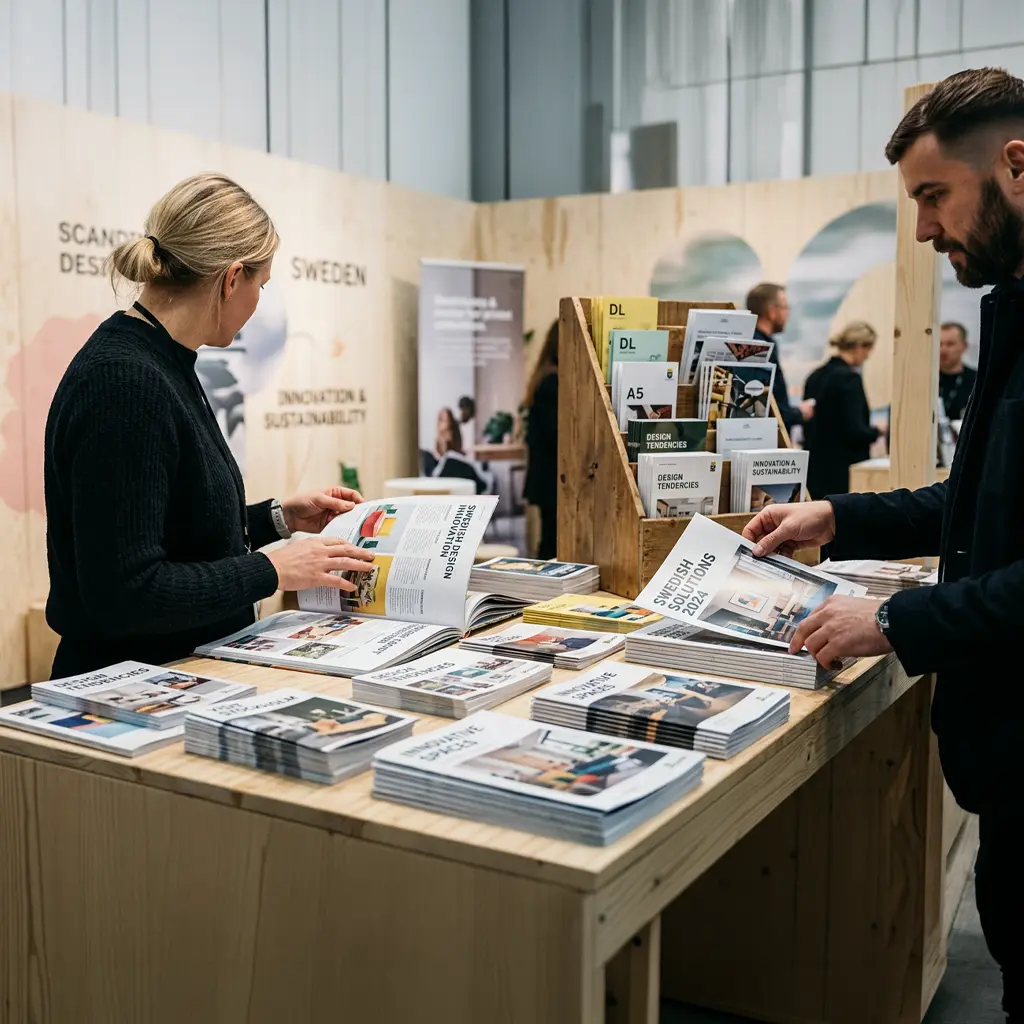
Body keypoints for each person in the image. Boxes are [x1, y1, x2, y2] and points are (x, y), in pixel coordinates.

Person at [742, 67, 1024, 1024]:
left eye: (933, 196)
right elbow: (981, 498)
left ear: (1016, 166)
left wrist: (896, 617)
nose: (924, 230)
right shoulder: (1012, 308)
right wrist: (839, 517)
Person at [44, 173, 375, 678]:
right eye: (261, 286)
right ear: (230, 278)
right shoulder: (126, 383)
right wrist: (271, 570)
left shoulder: (161, 362)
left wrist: (278, 519)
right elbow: (125, 590)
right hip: (129, 687)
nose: (258, 302)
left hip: (172, 673)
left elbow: (173, 530)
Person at [802, 321, 882, 498]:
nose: (868, 357)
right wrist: (878, 431)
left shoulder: (814, 377)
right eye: (869, 350)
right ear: (859, 346)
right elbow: (854, 431)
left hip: (814, 471)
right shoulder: (850, 380)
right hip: (842, 475)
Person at [746, 282, 815, 433]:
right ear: (772, 311)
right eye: (785, 307)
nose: (787, 313)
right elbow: (765, 405)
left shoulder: (751, 343)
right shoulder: (759, 348)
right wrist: (798, 413)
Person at [524, 319, 559, 559]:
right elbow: (554, 433)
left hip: (547, 478)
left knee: (549, 537)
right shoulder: (552, 382)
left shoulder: (545, 376)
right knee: (551, 542)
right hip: (551, 479)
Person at [938, 320, 978, 421]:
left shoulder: (977, 381)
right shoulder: (926, 379)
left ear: (964, 346)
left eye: (950, 344)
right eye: (940, 344)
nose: (943, 350)